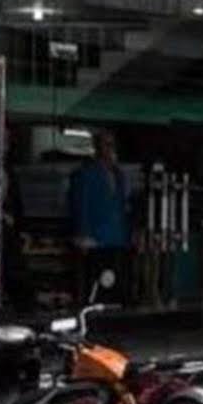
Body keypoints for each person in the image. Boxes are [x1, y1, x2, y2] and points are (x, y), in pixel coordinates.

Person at [68, 129, 131, 301]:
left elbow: (123, 205)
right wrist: (83, 234)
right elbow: (80, 205)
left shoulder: (119, 175)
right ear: (98, 147)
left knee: (114, 282)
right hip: (95, 238)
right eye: (107, 144)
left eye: (113, 145)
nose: (111, 149)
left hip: (116, 237)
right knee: (95, 283)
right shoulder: (85, 174)